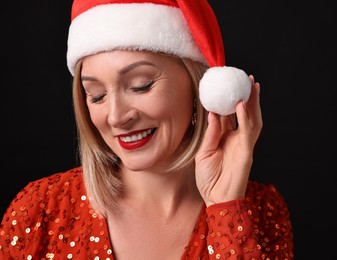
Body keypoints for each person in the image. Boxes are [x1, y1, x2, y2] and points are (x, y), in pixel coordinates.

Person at [0, 0, 294, 259]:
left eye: (140, 85)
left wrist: (226, 209)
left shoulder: (261, 212)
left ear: (200, 88)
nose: (116, 117)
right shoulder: (38, 212)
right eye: (97, 95)